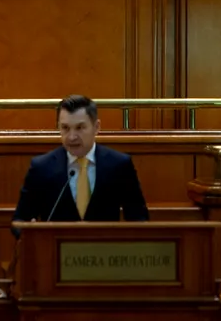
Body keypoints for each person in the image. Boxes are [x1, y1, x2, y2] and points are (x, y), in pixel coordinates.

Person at [12, 95, 149, 235]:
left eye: (80, 128)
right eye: (65, 128)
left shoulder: (119, 165)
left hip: (105, 246)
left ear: (96, 127)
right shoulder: (41, 167)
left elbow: (139, 219)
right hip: (55, 247)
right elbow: (19, 221)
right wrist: (28, 230)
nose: (72, 137)